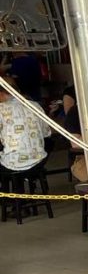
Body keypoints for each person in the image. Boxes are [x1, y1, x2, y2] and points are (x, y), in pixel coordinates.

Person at [0, 81, 50, 211]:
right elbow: (46, 132)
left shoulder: (1, 109)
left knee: (10, 158)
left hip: (13, 162)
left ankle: (8, 199)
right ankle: (23, 192)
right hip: (39, 160)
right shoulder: (35, 105)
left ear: (2, 93)